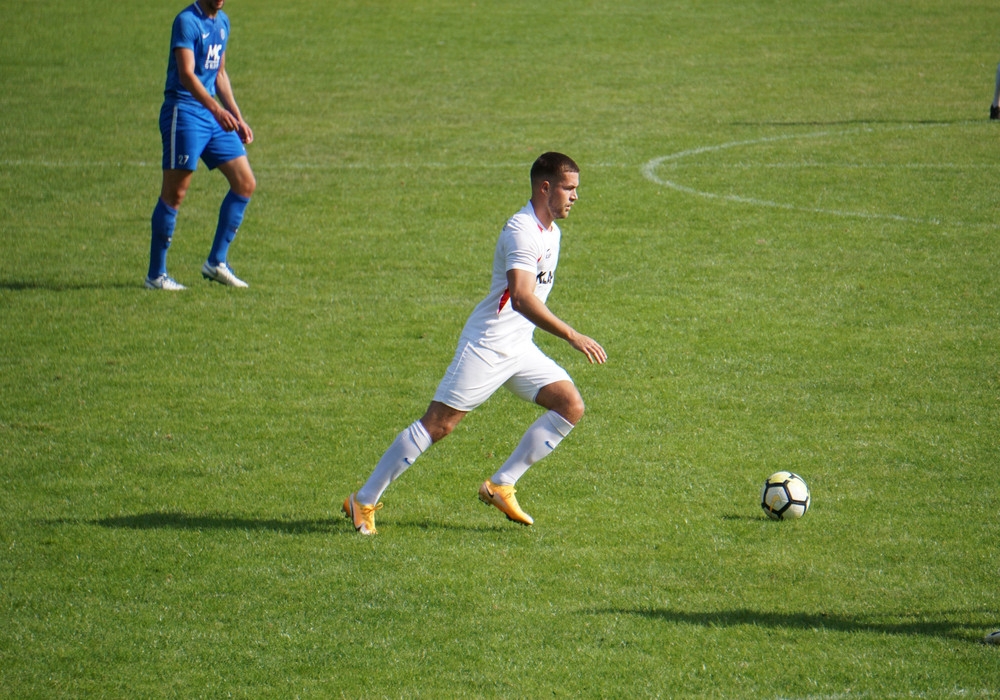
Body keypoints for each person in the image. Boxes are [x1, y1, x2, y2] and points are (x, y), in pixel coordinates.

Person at [343, 152, 607, 535]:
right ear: (545, 187)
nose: (575, 197)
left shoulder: (553, 233)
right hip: (488, 346)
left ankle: (501, 485)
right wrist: (571, 334)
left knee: (569, 405)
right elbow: (520, 296)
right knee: (438, 425)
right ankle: (362, 501)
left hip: (519, 347)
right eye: (569, 188)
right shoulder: (522, 230)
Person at [145, 0, 257, 290]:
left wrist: (237, 116)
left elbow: (219, 74)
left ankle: (216, 262)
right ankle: (156, 276)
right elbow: (186, 74)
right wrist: (217, 111)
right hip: (184, 112)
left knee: (245, 182)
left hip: (211, 115)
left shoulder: (223, 23)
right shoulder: (187, 22)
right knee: (175, 194)